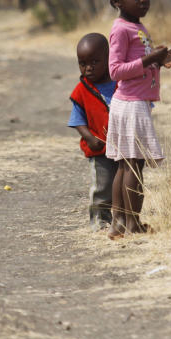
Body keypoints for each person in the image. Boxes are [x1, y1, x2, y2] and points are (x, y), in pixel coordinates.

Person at [105, 0, 171, 239]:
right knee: (133, 166)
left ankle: (119, 224)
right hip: (131, 104)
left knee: (126, 165)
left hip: (133, 103)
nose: (144, 0)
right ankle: (132, 224)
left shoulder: (137, 26)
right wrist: (150, 60)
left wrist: (160, 60)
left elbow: (137, 65)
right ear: (117, 0)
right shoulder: (121, 29)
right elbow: (116, 71)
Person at [67, 33, 118, 231]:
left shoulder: (120, 83)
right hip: (100, 149)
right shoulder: (82, 90)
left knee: (122, 185)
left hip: (124, 146)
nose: (88, 68)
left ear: (109, 58)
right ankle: (99, 220)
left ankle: (124, 217)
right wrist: (89, 137)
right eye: (83, 63)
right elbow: (77, 120)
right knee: (103, 186)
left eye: (95, 62)